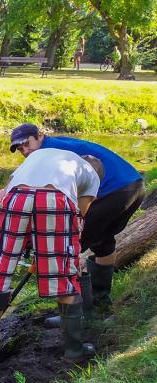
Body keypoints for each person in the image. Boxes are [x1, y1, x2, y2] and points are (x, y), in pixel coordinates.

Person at [0, 148, 104, 359]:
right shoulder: (92, 174)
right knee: (64, 277)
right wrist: (53, 249)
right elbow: (80, 213)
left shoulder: (39, 158)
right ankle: (74, 350)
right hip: (55, 200)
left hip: (14, 199)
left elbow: (2, 196)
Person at [8, 123, 144, 324]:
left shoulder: (48, 153)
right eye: (20, 149)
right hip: (135, 187)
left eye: (27, 144)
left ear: (40, 136)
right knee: (103, 243)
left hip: (114, 191)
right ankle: (100, 305)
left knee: (67, 247)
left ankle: (78, 313)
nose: (25, 151)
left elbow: (59, 199)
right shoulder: (55, 145)